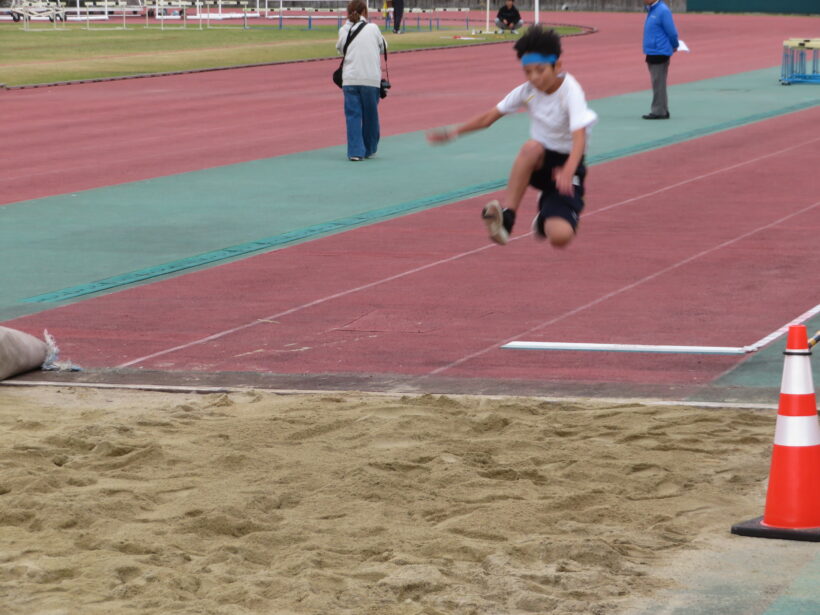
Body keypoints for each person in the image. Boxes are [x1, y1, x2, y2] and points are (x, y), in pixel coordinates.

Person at [427, 26, 597, 249]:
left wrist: (568, 169)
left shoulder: (571, 91)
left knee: (560, 238)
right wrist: (453, 132)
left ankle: (546, 214)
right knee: (531, 147)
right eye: (528, 72)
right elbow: (489, 117)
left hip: (568, 166)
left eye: (540, 70)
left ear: (557, 65)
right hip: (540, 161)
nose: (534, 77)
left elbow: (579, 137)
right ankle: (508, 217)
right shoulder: (527, 91)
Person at [336, 0, 387, 161]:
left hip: (350, 79)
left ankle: (355, 152)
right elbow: (384, 46)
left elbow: (340, 48)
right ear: (364, 11)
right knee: (371, 115)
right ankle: (369, 148)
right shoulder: (373, 28)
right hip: (370, 79)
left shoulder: (343, 30)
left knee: (353, 116)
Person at [642, 0, 678, 119]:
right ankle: (662, 109)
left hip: (659, 52)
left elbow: (672, 32)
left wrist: (675, 45)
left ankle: (659, 111)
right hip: (652, 51)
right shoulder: (651, 9)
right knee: (658, 83)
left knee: (658, 83)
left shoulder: (662, 10)